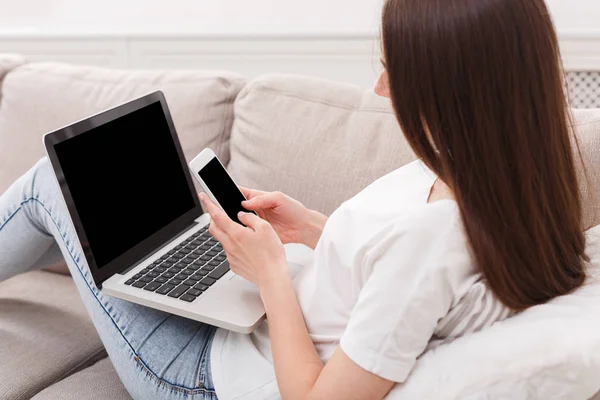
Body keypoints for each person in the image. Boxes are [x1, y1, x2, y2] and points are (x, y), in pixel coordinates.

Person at [0, 0, 589, 399]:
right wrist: (312, 228)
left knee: (53, 182)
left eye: (392, 71)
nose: (379, 89)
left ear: (450, 93)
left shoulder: (433, 243)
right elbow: (386, 267)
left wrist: (272, 276)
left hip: (205, 376)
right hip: (245, 324)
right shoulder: (505, 180)